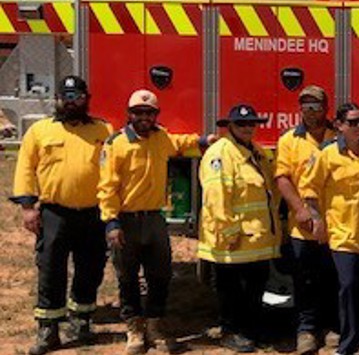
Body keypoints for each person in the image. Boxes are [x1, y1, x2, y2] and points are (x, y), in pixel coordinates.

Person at [98, 89, 213, 354]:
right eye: (139, 113)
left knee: (160, 275)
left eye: (150, 113)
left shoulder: (161, 138)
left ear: (156, 115)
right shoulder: (115, 144)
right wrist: (111, 222)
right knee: (127, 277)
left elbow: (181, 143)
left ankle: (154, 325)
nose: (144, 118)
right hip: (125, 221)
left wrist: (207, 140)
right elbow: (107, 186)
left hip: (154, 220)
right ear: (130, 115)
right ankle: (134, 329)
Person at [10, 75, 113, 355]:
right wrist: (28, 207)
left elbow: (115, 170)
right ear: (58, 99)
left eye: (77, 97)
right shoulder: (40, 131)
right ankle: (49, 329)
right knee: (51, 268)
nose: (71, 102)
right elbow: (26, 169)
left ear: (86, 99)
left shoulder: (103, 130)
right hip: (55, 213)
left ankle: (81, 320)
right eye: (66, 97)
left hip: (93, 214)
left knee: (91, 267)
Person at [300, 103, 359, 355]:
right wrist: (317, 220)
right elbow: (310, 190)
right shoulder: (327, 155)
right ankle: (346, 346)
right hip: (343, 233)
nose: (358, 126)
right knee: (347, 286)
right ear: (338, 126)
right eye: (352, 122)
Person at [197, 104, 279, 353]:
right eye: (241, 124)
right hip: (233, 239)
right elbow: (216, 196)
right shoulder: (220, 154)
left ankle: (251, 330)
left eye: (251, 124)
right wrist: (229, 230)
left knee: (255, 288)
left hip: (257, 240)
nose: (248, 128)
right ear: (229, 127)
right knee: (231, 289)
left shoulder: (257, 152)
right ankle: (230, 331)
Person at [274, 85, 339, 355]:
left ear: (326, 108)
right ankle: (306, 331)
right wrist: (300, 209)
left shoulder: (340, 136)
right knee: (305, 279)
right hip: (303, 226)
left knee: (334, 277)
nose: (311, 112)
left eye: (316, 106)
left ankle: (334, 328)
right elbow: (282, 178)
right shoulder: (289, 139)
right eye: (306, 106)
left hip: (336, 222)